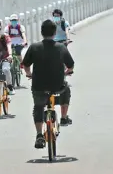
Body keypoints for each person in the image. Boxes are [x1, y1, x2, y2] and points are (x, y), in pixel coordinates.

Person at [22, 19, 74, 149]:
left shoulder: (34, 47)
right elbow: (71, 65)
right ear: (55, 32)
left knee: (38, 107)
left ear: (41, 32)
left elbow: (25, 65)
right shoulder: (61, 47)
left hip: (39, 86)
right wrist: (68, 71)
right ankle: (63, 117)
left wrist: (29, 74)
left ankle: (39, 134)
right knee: (66, 90)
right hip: (58, 86)